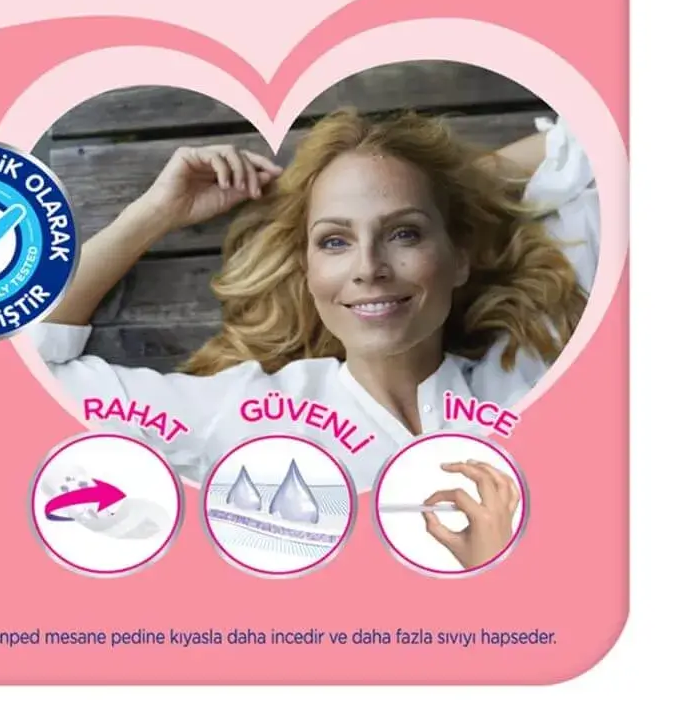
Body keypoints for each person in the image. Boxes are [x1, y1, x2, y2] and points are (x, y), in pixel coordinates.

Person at [35, 109, 597, 490]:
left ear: (459, 258)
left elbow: (601, 142)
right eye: (335, 241)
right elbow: (25, 378)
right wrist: (154, 213)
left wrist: (453, 187)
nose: (370, 267)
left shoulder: (536, 365)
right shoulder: (247, 415)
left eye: (404, 233)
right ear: (308, 272)